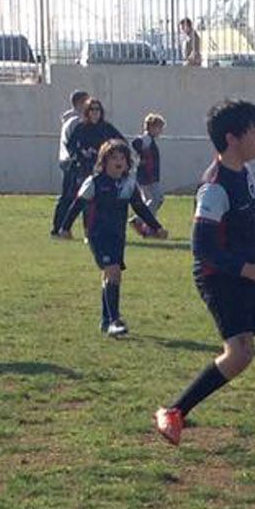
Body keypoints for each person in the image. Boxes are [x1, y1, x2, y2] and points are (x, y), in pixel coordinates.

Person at [153, 99, 255, 443]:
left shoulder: (246, 173)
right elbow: (204, 249)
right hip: (220, 278)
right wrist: (252, 271)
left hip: (250, 271)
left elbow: (249, 230)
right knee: (240, 354)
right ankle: (174, 411)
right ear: (232, 138)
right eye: (253, 130)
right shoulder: (214, 186)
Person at [61, 137, 166, 336]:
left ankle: (105, 320)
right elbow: (78, 205)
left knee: (111, 276)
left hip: (117, 236)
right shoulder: (94, 182)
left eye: (122, 158)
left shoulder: (128, 184)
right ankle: (114, 321)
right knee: (113, 272)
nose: (119, 161)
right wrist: (65, 227)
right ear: (104, 161)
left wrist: (156, 227)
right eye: (114, 157)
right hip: (97, 234)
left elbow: (139, 207)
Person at [58, 99, 124, 237]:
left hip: (102, 169)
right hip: (85, 168)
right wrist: (80, 153)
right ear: (87, 112)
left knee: (101, 201)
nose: (95, 112)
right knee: (83, 200)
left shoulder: (106, 127)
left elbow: (121, 141)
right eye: (92, 109)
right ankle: (68, 228)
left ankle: (94, 230)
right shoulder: (81, 128)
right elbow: (70, 145)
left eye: (98, 109)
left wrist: (108, 152)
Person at [50, 89, 91, 237]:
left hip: (67, 161)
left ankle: (60, 227)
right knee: (73, 196)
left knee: (70, 196)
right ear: (80, 103)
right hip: (73, 162)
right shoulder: (75, 121)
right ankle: (60, 228)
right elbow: (74, 144)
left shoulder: (70, 119)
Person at [130, 113, 167, 236]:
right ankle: (139, 219)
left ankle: (148, 227)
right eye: (159, 128)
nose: (160, 131)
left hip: (148, 175)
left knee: (151, 200)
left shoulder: (150, 140)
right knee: (157, 198)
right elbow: (135, 143)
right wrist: (142, 156)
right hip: (147, 175)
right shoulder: (146, 139)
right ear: (151, 127)